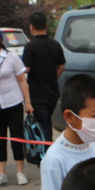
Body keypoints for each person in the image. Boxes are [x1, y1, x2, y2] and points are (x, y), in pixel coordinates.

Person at [0, 24, 33, 186]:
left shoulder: (11, 58)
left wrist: (28, 102)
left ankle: (20, 171)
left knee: (16, 138)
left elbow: (22, 81)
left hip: (13, 103)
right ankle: (1, 173)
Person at [23, 11, 65, 143]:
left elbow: (26, 68)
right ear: (46, 25)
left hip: (37, 93)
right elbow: (61, 66)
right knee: (46, 121)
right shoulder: (55, 45)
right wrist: (52, 76)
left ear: (31, 27)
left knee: (42, 124)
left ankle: (45, 150)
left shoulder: (30, 46)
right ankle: (46, 147)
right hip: (53, 91)